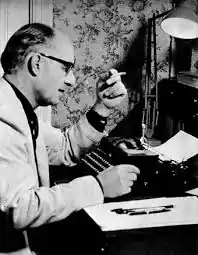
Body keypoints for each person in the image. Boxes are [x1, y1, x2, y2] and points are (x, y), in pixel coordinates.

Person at [0, 23, 140, 254]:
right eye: (66, 68)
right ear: (36, 63)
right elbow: (19, 208)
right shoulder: (4, 118)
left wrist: (102, 108)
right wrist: (98, 186)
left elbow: (63, 148)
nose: (72, 80)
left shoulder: (17, 108)